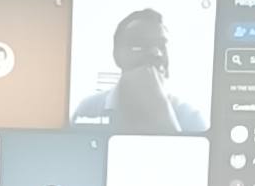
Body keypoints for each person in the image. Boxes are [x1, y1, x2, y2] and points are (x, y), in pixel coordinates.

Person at [69, 8, 207, 133]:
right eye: (139, 45)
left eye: (162, 46)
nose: (156, 53)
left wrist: (162, 111)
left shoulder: (190, 117)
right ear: (117, 55)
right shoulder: (89, 109)